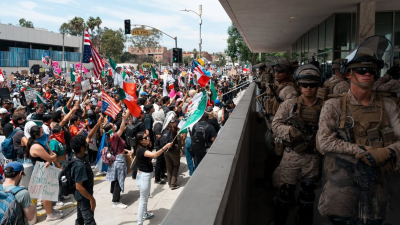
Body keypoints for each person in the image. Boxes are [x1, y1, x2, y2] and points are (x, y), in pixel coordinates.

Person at [317, 36, 400, 224]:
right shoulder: (335, 105)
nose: (367, 74)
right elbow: (325, 141)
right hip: (342, 183)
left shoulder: (388, 105)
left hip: (378, 182)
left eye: (372, 70)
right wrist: (362, 151)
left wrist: (387, 152)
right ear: (348, 74)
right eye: (361, 70)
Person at [271, 64, 323, 225]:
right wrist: (290, 131)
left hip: (313, 157)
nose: (308, 88)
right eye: (304, 84)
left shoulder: (326, 106)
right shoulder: (289, 105)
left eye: (313, 85)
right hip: (292, 155)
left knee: (308, 195)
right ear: (298, 85)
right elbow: (276, 125)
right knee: (286, 192)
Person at [70, 115, 104, 225]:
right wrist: (91, 199)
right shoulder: (79, 165)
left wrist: (98, 124)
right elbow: (79, 186)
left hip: (82, 197)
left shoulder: (76, 155)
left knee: (80, 220)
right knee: (89, 221)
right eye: (85, 144)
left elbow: (89, 136)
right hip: (84, 197)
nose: (88, 143)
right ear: (82, 148)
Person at [135, 131, 172, 225]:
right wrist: (165, 147)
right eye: (145, 138)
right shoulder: (142, 150)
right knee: (143, 200)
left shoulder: (142, 148)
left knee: (145, 197)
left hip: (144, 175)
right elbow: (155, 155)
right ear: (140, 141)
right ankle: (139, 222)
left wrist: (152, 172)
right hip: (144, 177)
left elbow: (147, 161)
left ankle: (145, 214)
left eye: (147, 136)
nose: (147, 138)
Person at [27, 125, 62, 221]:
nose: (44, 134)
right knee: (46, 193)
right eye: (42, 132)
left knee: (50, 192)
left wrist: (50, 157)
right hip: (41, 172)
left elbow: (49, 156)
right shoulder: (36, 146)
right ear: (37, 135)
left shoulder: (42, 143)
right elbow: (51, 157)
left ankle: (50, 210)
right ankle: (50, 215)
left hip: (46, 169)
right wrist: (52, 157)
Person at [105, 110, 130, 209]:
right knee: (119, 181)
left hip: (117, 159)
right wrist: (124, 118)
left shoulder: (111, 137)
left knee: (115, 180)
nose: (114, 125)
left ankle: (114, 195)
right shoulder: (114, 136)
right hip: (119, 160)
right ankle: (116, 202)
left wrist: (127, 151)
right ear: (111, 129)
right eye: (112, 125)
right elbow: (122, 128)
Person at [160, 113, 181, 189]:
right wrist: (180, 149)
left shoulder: (165, 128)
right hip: (174, 150)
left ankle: (169, 182)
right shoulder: (175, 129)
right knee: (176, 166)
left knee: (169, 167)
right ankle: (173, 184)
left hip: (166, 149)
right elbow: (178, 140)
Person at [152, 110, 167, 183]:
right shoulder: (158, 125)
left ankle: (162, 174)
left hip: (161, 145)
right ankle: (157, 178)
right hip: (159, 146)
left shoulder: (159, 123)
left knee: (162, 161)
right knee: (159, 161)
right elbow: (158, 137)